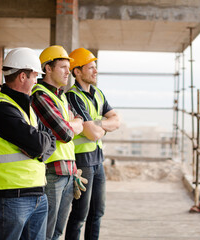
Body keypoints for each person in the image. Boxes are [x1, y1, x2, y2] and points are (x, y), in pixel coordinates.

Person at [0, 47, 56, 240]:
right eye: (34, 76)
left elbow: (50, 139)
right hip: (11, 197)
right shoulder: (0, 109)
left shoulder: (27, 108)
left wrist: (39, 147)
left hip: (38, 194)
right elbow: (39, 144)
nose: (36, 81)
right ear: (23, 77)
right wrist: (40, 147)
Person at [31, 45, 85, 240]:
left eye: (68, 67)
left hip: (69, 171)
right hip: (52, 172)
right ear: (48, 68)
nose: (67, 72)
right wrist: (73, 124)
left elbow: (80, 122)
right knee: (45, 232)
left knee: (57, 232)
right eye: (62, 66)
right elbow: (65, 133)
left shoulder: (60, 96)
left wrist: (73, 123)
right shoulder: (40, 95)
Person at [65, 48, 120, 240]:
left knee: (98, 212)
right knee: (80, 214)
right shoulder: (73, 96)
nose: (95, 71)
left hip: (98, 160)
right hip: (82, 162)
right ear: (77, 71)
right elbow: (92, 133)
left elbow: (116, 120)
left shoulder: (98, 93)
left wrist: (97, 126)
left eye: (95, 67)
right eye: (91, 68)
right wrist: (101, 127)